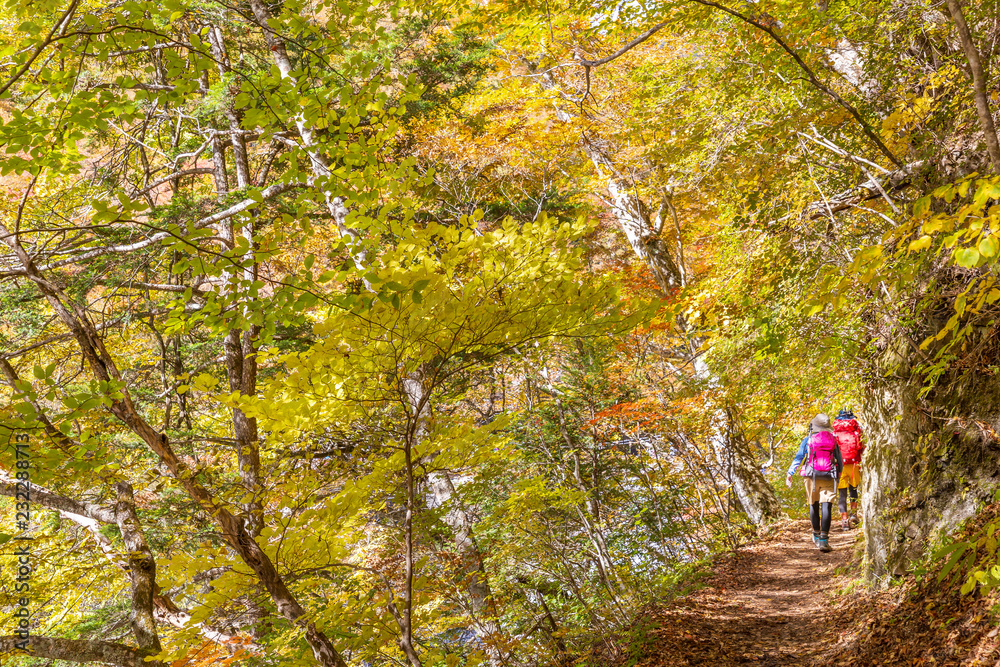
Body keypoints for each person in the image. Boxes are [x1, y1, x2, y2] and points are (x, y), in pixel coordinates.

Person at [786, 414, 843, 552]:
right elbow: (839, 460)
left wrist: (790, 472)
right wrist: (838, 476)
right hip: (829, 475)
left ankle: (816, 535)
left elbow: (799, 457)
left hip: (811, 475)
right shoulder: (833, 440)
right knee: (826, 506)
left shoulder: (808, 439)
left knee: (813, 504)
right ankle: (824, 539)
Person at [833, 408, 865, 530]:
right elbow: (861, 447)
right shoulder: (856, 431)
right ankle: (853, 513)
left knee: (842, 494)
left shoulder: (835, 432)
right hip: (854, 465)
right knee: (853, 489)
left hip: (840, 466)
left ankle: (844, 521)